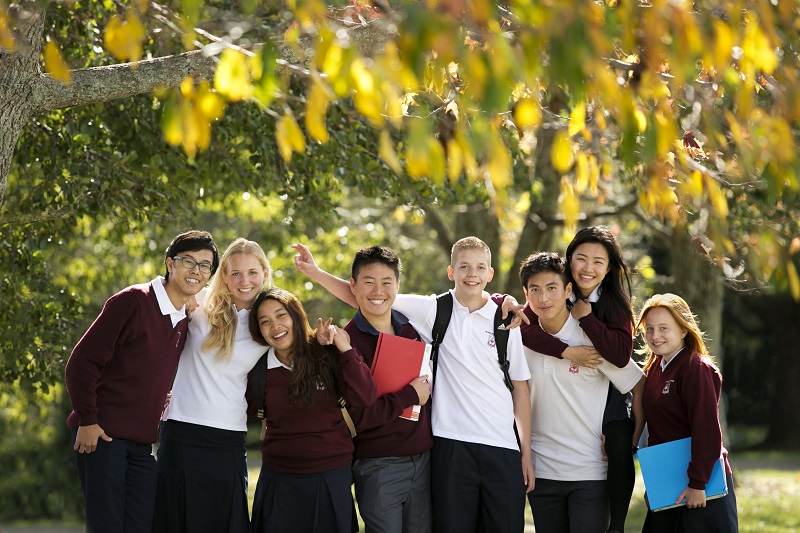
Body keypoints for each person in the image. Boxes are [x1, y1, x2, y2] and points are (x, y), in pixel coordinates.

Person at [293, 237, 534, 533]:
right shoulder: (433, 310)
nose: (472, 273)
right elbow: (370, 296)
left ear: (490, 273)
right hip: (449, 443)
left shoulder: (506, 320)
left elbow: (520, 389)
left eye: (480, 267)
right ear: (451, 271)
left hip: (501, 446)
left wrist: (526, 452)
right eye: (464, 266)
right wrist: (315, 273)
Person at [65, 230, 219, 533]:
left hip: (142, 444)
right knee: (108, 526)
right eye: (189, 261)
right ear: (169, 263)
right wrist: (88, 420)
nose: (196, 271)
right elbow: (81, 364)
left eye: (205, 266)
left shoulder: (184, 318)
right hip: (101, 436)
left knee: (140, 525)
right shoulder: (133, 302)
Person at [508, 226, 645, 533]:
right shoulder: (537, 311)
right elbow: (525, 321)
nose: (588, 268)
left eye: (598, 261)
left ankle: (618, 526)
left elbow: (622, 357)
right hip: (544, 470)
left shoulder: (612, 304)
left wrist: (586, 320)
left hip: (604, 396)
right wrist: (566, 351)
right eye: (581, 259)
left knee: (619, 443)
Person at [153, 238, 271, 533]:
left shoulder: (270, 318)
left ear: (265, 274)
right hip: (181, 430)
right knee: (174, 520)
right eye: (235, 273)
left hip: (227, 438)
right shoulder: (199, 301)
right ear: (224, 277)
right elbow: (155, 303)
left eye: (253, 273)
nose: (245, 281)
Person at [248, 288, 378, 533]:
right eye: (265, 321)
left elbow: (365, 396)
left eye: (280, 315)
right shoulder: (258, 370)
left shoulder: (327, 353)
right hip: (278, 480)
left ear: (296, 316)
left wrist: (344, 348)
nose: (274, 326)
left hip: (330, 478)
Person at [332, 245, 433, 533]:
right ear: (353, 286)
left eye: (387, 282)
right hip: (379, 466)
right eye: (368, 282)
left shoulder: (411, 330)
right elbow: (361, 416)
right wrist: (411, 395)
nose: (378, 290)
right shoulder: (345, 343)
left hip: (424, 462)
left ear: (397, 286)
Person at [637, 293, 738, 533]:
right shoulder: (653, 369)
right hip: (670, 483)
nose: (655, 335)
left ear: (683, 330)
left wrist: (698, 483)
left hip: (702, 487)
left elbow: (707, 430)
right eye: (649, 329)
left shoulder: (696, 368)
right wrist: (656, 483)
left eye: (664, 328)